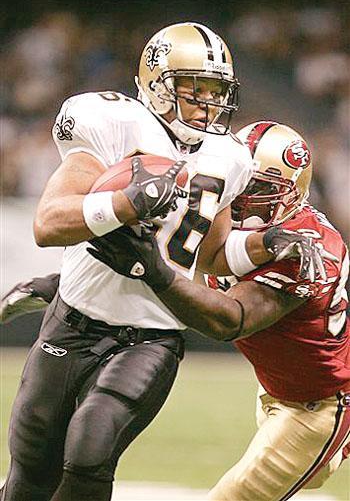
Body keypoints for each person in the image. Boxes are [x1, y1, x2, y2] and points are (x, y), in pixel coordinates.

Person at [0, 22, 288, 501]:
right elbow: (48, 222)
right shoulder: (115, 124)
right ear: (156, 84)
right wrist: (125, 204)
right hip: (73, 322)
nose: (208, 104)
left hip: (152, 335)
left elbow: (209, 256)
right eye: (194, 90)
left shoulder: (230, 157)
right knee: (32, 464)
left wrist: (263, 245)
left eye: (217, 91)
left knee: (90, 453)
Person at [83, 121, 350, 501]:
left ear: (293, 194)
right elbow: (207, 259)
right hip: (278, 389)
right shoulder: (229, 223)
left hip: (318, 406)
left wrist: (154, 271)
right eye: (240, 184)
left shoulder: (307, 247)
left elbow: (230, 320)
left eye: (257, 189)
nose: (241, 198)